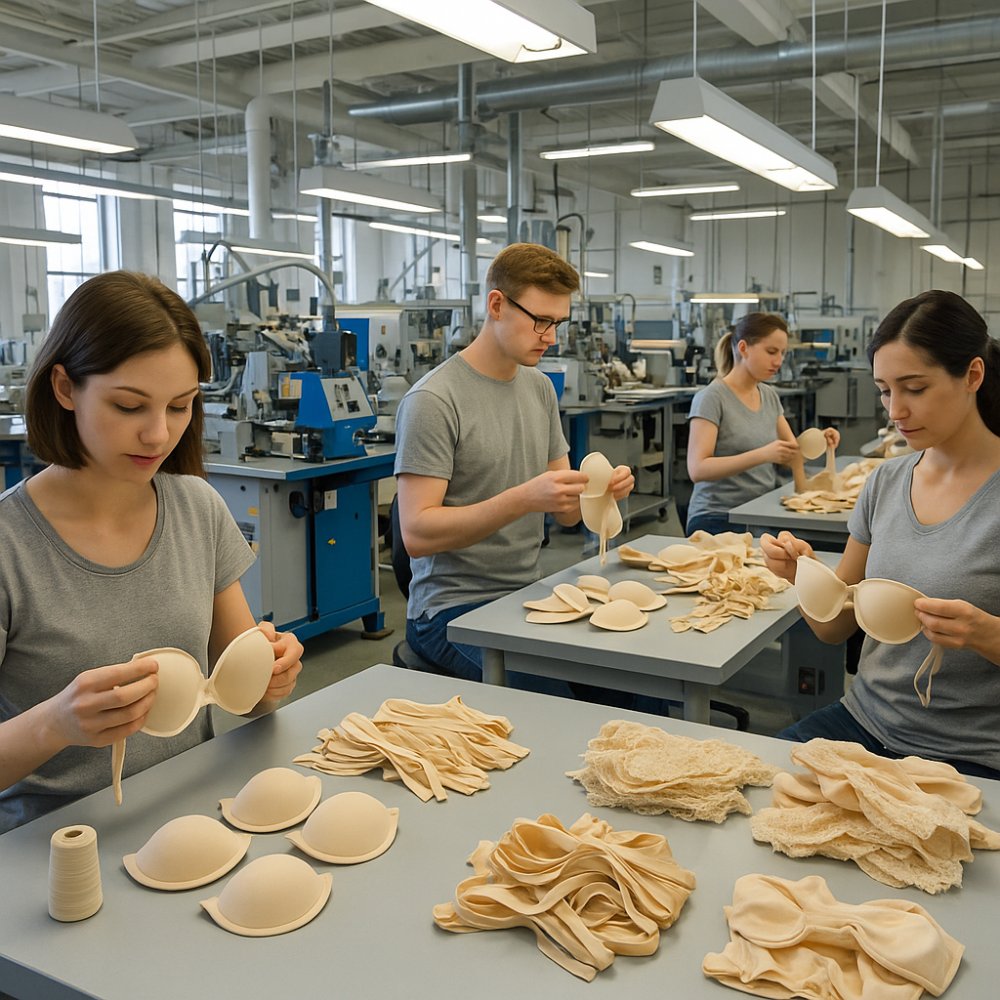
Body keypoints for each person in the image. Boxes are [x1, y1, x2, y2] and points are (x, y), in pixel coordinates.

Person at [0, 271, 303, 833]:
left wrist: (270, 675)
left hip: (194, 814)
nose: (158, 436)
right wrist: (56, 724)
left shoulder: (196, 508)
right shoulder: (9, 546)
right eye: (129, 406)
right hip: (59, 844)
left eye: (180, 406)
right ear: (65, 389)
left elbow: (248, 697)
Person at [761, 289, 1000, 780]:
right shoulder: (886, 482)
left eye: (914, 388)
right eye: (885, 390)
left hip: (971, 752)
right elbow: (835, 628)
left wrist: (986, 635)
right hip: (863, 722)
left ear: (972, 375)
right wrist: (802, 577)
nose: (895, 411)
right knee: (755, 796)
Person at [394, 242, 634, 682]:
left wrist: (599, 493)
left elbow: (563, 514)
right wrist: (523, 499)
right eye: (541, 320)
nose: (552, 336)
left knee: (631, 677)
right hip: (450, 609)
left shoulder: (540, 388)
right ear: (497, 304)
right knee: (553, 699)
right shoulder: (433, 400)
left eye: (558, 323)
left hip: (527, 593)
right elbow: (417, 534)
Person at [685, 313, 839, 536]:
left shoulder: (768, 395)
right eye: (771, 352)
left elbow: (792, 454)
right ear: (744, 348)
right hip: (717, 516)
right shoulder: (712, 397)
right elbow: (698, 469)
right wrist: (763, 455)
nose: (778, 361)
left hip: (760, 511)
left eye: (783, 353)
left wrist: (820, 440)